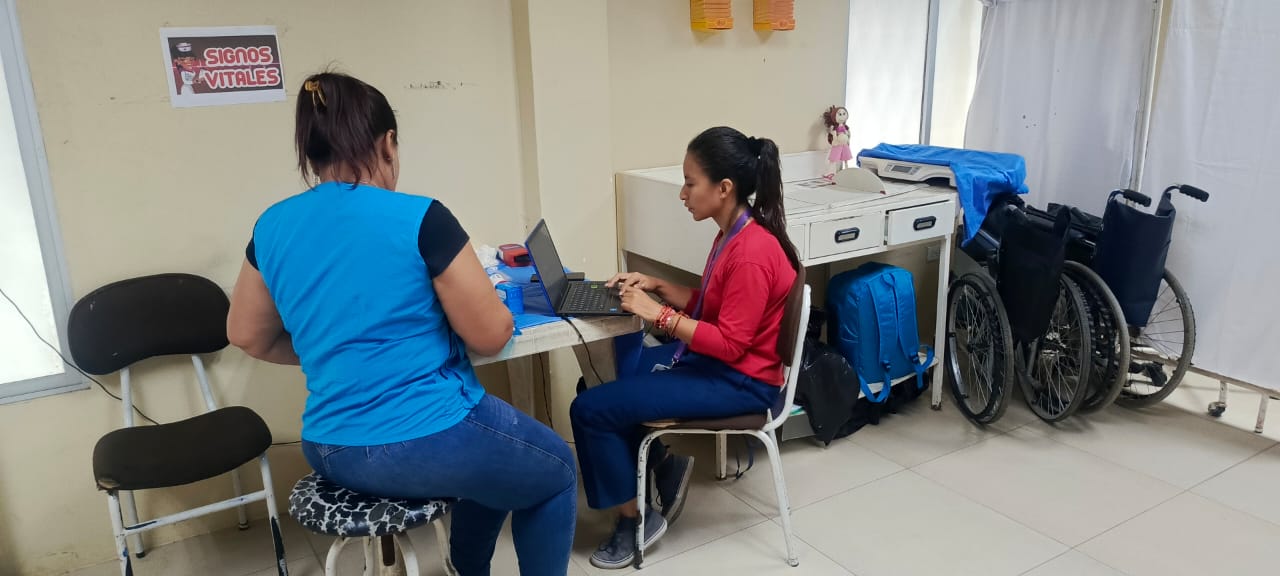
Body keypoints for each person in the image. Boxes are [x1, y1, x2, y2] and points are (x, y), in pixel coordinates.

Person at [226, 72, 576, 576]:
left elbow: (246, 335)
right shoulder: (420, 217)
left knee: (500, 464)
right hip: (422, 437)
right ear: (387, 143)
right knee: (556, 471)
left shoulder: (271, 225)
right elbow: (490, 336)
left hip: (328, 444)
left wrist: (336, 348)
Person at [570, 126, 801, 569]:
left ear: (724, 188)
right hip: (717, 366)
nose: (683, 194)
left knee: (590, 409)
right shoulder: (733, 233)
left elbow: (730, 343)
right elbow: (714, 305)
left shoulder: (751, 252)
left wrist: (657, 314)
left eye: (690, 183)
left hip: (740, 382)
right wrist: (656, 285)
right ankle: (662, 466)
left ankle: (635, 522)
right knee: (597, 383)